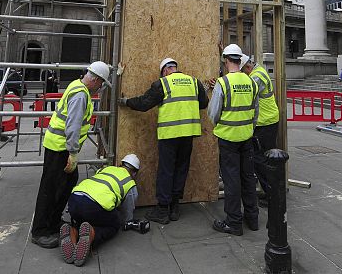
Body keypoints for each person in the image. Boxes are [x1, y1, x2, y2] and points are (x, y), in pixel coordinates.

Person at [31, 61, 110, 249]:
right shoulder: (80, 95)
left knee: (66, 183)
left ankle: (53, 221)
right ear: (96, 80)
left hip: (61, 147)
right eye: (101, 84)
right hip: (60, 148)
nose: (100, 88)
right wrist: (73, 153)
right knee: (50, 189)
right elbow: (73, 126)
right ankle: (40, 230)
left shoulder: (77, 86)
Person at [124, 57, 208, 224]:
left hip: (170, 134)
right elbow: (203, 103)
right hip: (188, 133)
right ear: (175, 68)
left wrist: (126, 102)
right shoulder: (193, 82)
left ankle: (162, 209)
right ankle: (175, 207)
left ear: (164, 71)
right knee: (181, 168)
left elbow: (144, 103)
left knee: (166, 170)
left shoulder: (162, 84)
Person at [209, 43, 259, 236]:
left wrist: (221, 126)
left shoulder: (223, 83)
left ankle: (234, 222)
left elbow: (213, 113)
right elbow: (255, 113)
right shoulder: (251, 82)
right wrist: (247, 128)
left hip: (228, 139)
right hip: (247, 137)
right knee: (248, 178)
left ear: (226, 60)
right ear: (240, 60)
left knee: (231, 181)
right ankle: (252, 219)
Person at [62, 154, 142, 266]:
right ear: (134, 173)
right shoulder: (130, 183)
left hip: (74, 199)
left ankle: (73, 232)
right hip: (94, 206)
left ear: (120, 164)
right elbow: (127, 217)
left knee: (83, 218)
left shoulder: (106, 168)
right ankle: (92, 233)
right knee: (114, 225)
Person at [240, 54, 279, 209]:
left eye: (242, 71)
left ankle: (272, 196)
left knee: (261, 160)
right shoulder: (257, 71)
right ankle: (271, 192)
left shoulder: (256, 77)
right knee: (263, 159)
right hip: (265, 121)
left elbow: (244, 91)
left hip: (265, 122)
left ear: (247, 68)